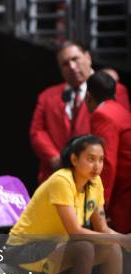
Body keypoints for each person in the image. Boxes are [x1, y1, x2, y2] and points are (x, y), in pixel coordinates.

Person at [4, 135, 131, 274]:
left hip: (54, 251)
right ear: (74, 159)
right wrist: (122, 238)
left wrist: (122, 240)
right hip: (23, 252)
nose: (97, 166)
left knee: (112, 248)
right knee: (84, 247)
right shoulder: (62, 180)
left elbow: (103, 230)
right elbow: (75, 231)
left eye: (100, 159)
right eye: (90, 159)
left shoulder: (95, 183)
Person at [30, 41, 130, 183]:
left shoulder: (115, 90)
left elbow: (119, 138)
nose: (71, 66)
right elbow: (37, 132)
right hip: (57, 180)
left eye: (75, 59)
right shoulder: (47, 96)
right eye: (65, 64)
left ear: (88, 57)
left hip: (96, 180)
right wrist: (55, 158)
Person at [86, 71, 131, 234]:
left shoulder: (103, 115)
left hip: (124, 195)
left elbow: (106, 163)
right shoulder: (121, 109)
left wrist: (100, 204)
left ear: (88, 96)